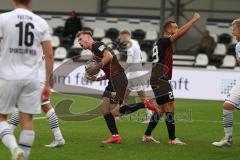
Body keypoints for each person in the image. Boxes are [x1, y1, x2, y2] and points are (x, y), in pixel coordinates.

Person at [76, 31, 160, 144]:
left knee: (115, 112)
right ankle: (115, 136)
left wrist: (95, 67)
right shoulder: (94, 51)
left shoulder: (96, 45)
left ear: (88, 37)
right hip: (114, 80)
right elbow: (110, 69)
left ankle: (144, 104)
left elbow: (109, 56)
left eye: (80, 39)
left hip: (118, 80)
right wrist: (96, 78)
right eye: (78, 41)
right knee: (105, 110)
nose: (79, 42)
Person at [0, 0, 53, 159]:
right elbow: (49, 55)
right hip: (32, 78)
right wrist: (48, 83)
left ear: (13, 0)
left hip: (7, 75)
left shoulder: (3, 18)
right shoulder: (41, 22)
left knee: (2, 117)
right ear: (30, 1)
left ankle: (15, 148)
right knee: (27, 120)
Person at [142, 12, 200, 144]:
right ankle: (172, 138)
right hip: (160, 78)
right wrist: (193, 20)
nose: (177, 29)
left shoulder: (160, 42)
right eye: (175, 27)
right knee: (170, 106)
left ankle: (147, 135)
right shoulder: (164, 40)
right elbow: (180, 34)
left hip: (157, 77)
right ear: (168, 29)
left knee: (161, 108)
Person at [9, 55, 65, 148]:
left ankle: (7, 133)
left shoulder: (34, 46)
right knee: (45, 105)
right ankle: (59, 138)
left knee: (22, 105)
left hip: (35, 80)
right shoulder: (41, 45)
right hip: (40, 79)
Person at [212, 19, 240, 147]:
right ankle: (228, 139)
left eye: (234, 28)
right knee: (227, 105)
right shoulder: (238, 46)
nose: (232, 31)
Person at [119, 30, 153, 123]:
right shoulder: (135, 42)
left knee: (142, 96)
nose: (120, 39)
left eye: (121, 37)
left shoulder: (129, 46)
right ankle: (118, 113)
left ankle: (150, 116)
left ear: (125, 36)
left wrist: (121, 70)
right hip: (134, 73)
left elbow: (130, 62)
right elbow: (140, 57)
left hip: (135, 75)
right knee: (124, 94)